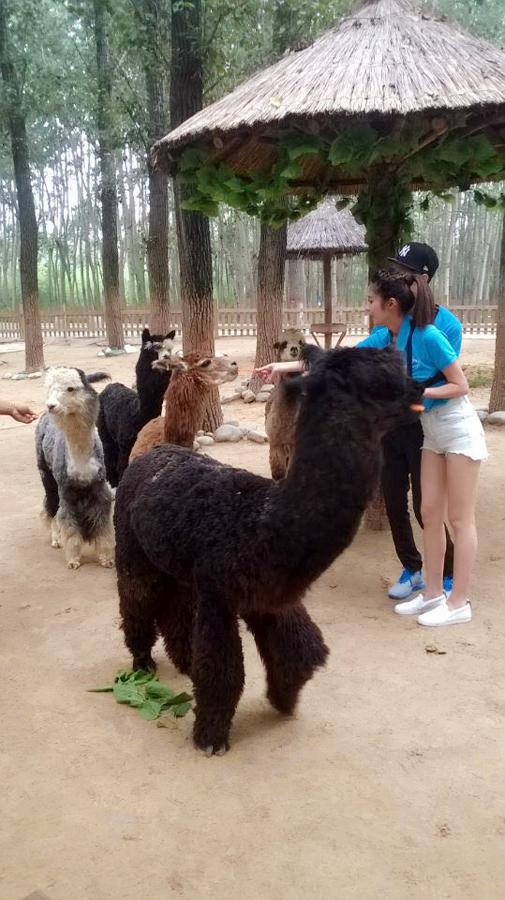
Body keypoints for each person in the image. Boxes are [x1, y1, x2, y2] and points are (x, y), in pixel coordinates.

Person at [256, 270, 486, 627]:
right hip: (431, 433)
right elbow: (337, 360)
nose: (367, 307)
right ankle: (431, 594)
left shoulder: (429, 336)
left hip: (457, 430)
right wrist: (283, 366)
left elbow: (462, 385)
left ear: (389, 304)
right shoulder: (386, 337)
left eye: (370, 301)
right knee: (429, 512)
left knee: (459, 518)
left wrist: (419, 393)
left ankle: (458, 601)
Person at [359, 243, 462, 601]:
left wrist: (411, 394)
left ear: (423, 279)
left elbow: (444, 378)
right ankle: (413, 568)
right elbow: (355, 357)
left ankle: (446, 574)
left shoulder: (444, 326)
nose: (399, 277)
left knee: (427, 505)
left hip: (424, 426)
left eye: (406, 272)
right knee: (392, 498)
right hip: (391, 425)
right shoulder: (390, 326)